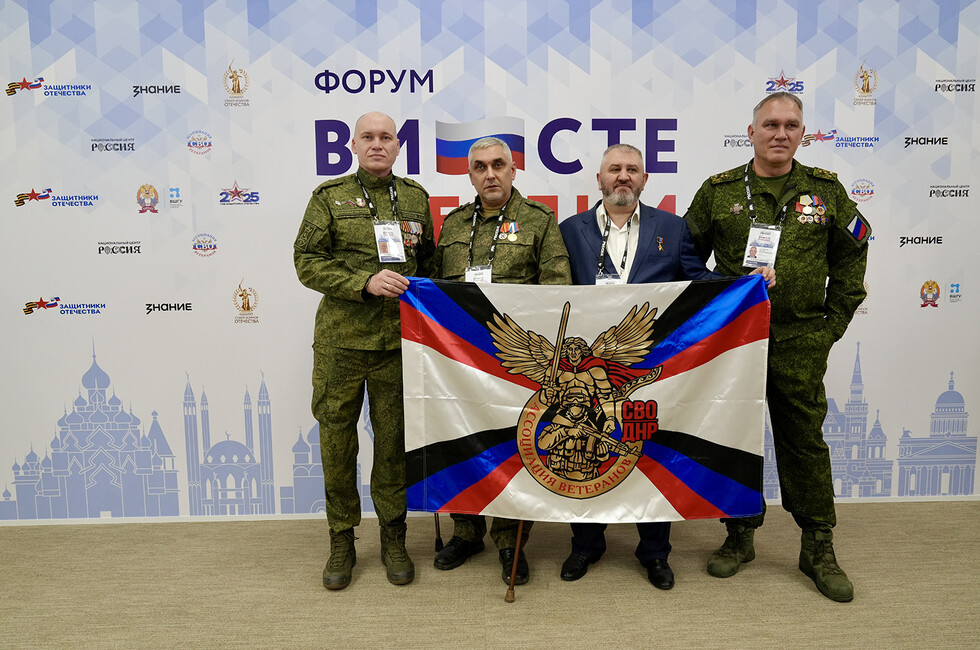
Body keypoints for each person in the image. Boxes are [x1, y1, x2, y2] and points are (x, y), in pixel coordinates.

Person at [558, 143, 775, 590]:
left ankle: (655, 553)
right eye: (614, 169)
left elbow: (699, 282)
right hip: (589, 374)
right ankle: (586, 546)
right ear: (598, 180)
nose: (623, 176)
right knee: (588, 452)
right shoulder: (568, 230)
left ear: (644, 179)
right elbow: (549, 293)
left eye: (632, 169)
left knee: (652, 455)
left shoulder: (672, 229)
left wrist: (745, 285)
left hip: (650, 371)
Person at [683, 91, 871, 603]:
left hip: (800, 338)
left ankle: (818, 545)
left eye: (790, 125)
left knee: (803, 441)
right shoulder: (718, 191)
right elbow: (685, 257)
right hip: (735, 341)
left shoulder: (826, 192)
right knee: (734, 436)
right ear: (752, 132)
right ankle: (739, 533)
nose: (780, 134)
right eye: (770, 125)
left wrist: (832, 324)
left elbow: (853, 253)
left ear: (802, 133)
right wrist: (718, 299)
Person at [293, 111, 436, 590]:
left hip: (398, 344)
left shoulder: (415, 198)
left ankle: (393, 536)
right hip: (342, 344)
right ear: (353, 145)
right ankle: (341, 538)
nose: (378, 144)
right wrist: (364, 282)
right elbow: (306, 261)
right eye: (368, 137)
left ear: (398, 146)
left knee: (393, 444)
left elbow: (430, 264)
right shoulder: (329, 197)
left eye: (386, 137)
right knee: (337, 443)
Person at [432, 136, 571, 585]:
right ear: (470, 175)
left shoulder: (539, 220)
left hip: (514, 363)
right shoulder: (453, 223)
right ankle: (466, 532)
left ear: (513, 171)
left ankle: (511, 540)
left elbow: (557, 287)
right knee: (462, 443)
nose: (489, 174)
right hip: (459, 363)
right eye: (480, 167)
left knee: (512, 450)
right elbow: (434, 291)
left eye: (498, 165)